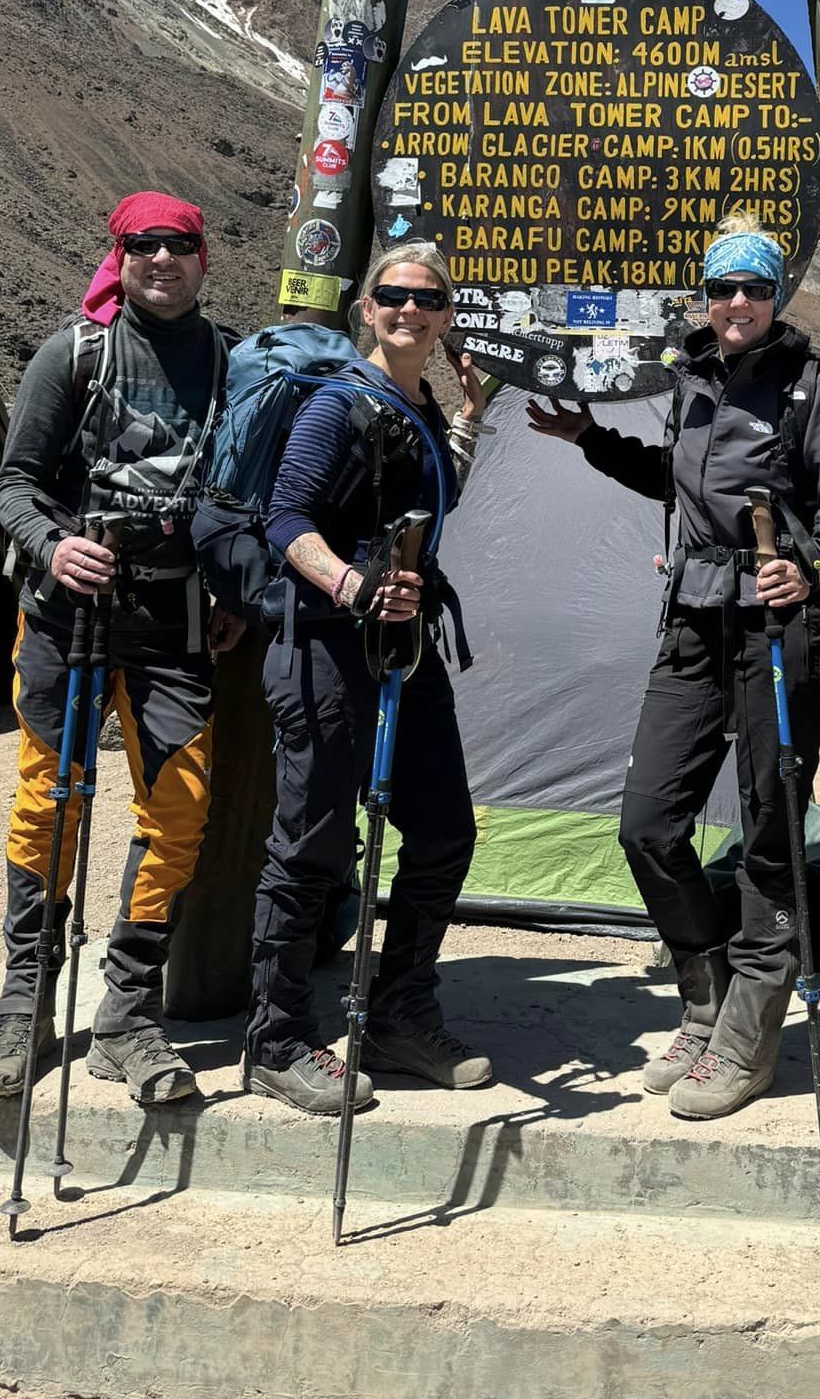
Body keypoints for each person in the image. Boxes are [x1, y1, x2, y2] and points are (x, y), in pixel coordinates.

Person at [529, 216, 820, 1120]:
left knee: (768, 831)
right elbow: (676, 482)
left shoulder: (809, 391)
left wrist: (814, 566)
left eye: (753, 289)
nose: (736, 305)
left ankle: (751, 1039)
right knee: (647, 823)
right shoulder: (692, 379)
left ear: (776, 297)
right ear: (707, 296)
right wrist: (590, 440)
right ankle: (705, 995)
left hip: (776, 628)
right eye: (723, 289)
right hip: (691, 620)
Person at [0, 192, 241, 1106]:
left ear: (205, 259)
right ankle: (25, 1005)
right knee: (50, 800)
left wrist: (233, 588)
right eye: (142, 247)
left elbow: (234, 493)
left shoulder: (228, 360)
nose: (161, 260)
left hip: (172, 621)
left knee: (181, 807)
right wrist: (53, 545)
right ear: (118, 259)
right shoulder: (72, 352)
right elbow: (13, 484)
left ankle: (127, 1013)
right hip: (64, 613)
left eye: (178, 247)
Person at [243, 242, 489, 1116]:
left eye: (427, 298)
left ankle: (397, 1015)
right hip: (325, 644)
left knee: (444, 831)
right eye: (393, 295)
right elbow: (285, 516)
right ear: (367, 309)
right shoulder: (336, 403)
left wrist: (466, 417)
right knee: (311, 841)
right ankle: (275, 1039)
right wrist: (353, 585)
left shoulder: (416, 401)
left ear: (447, 313)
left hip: (405, 646)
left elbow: (429, 499)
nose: (409, 309)